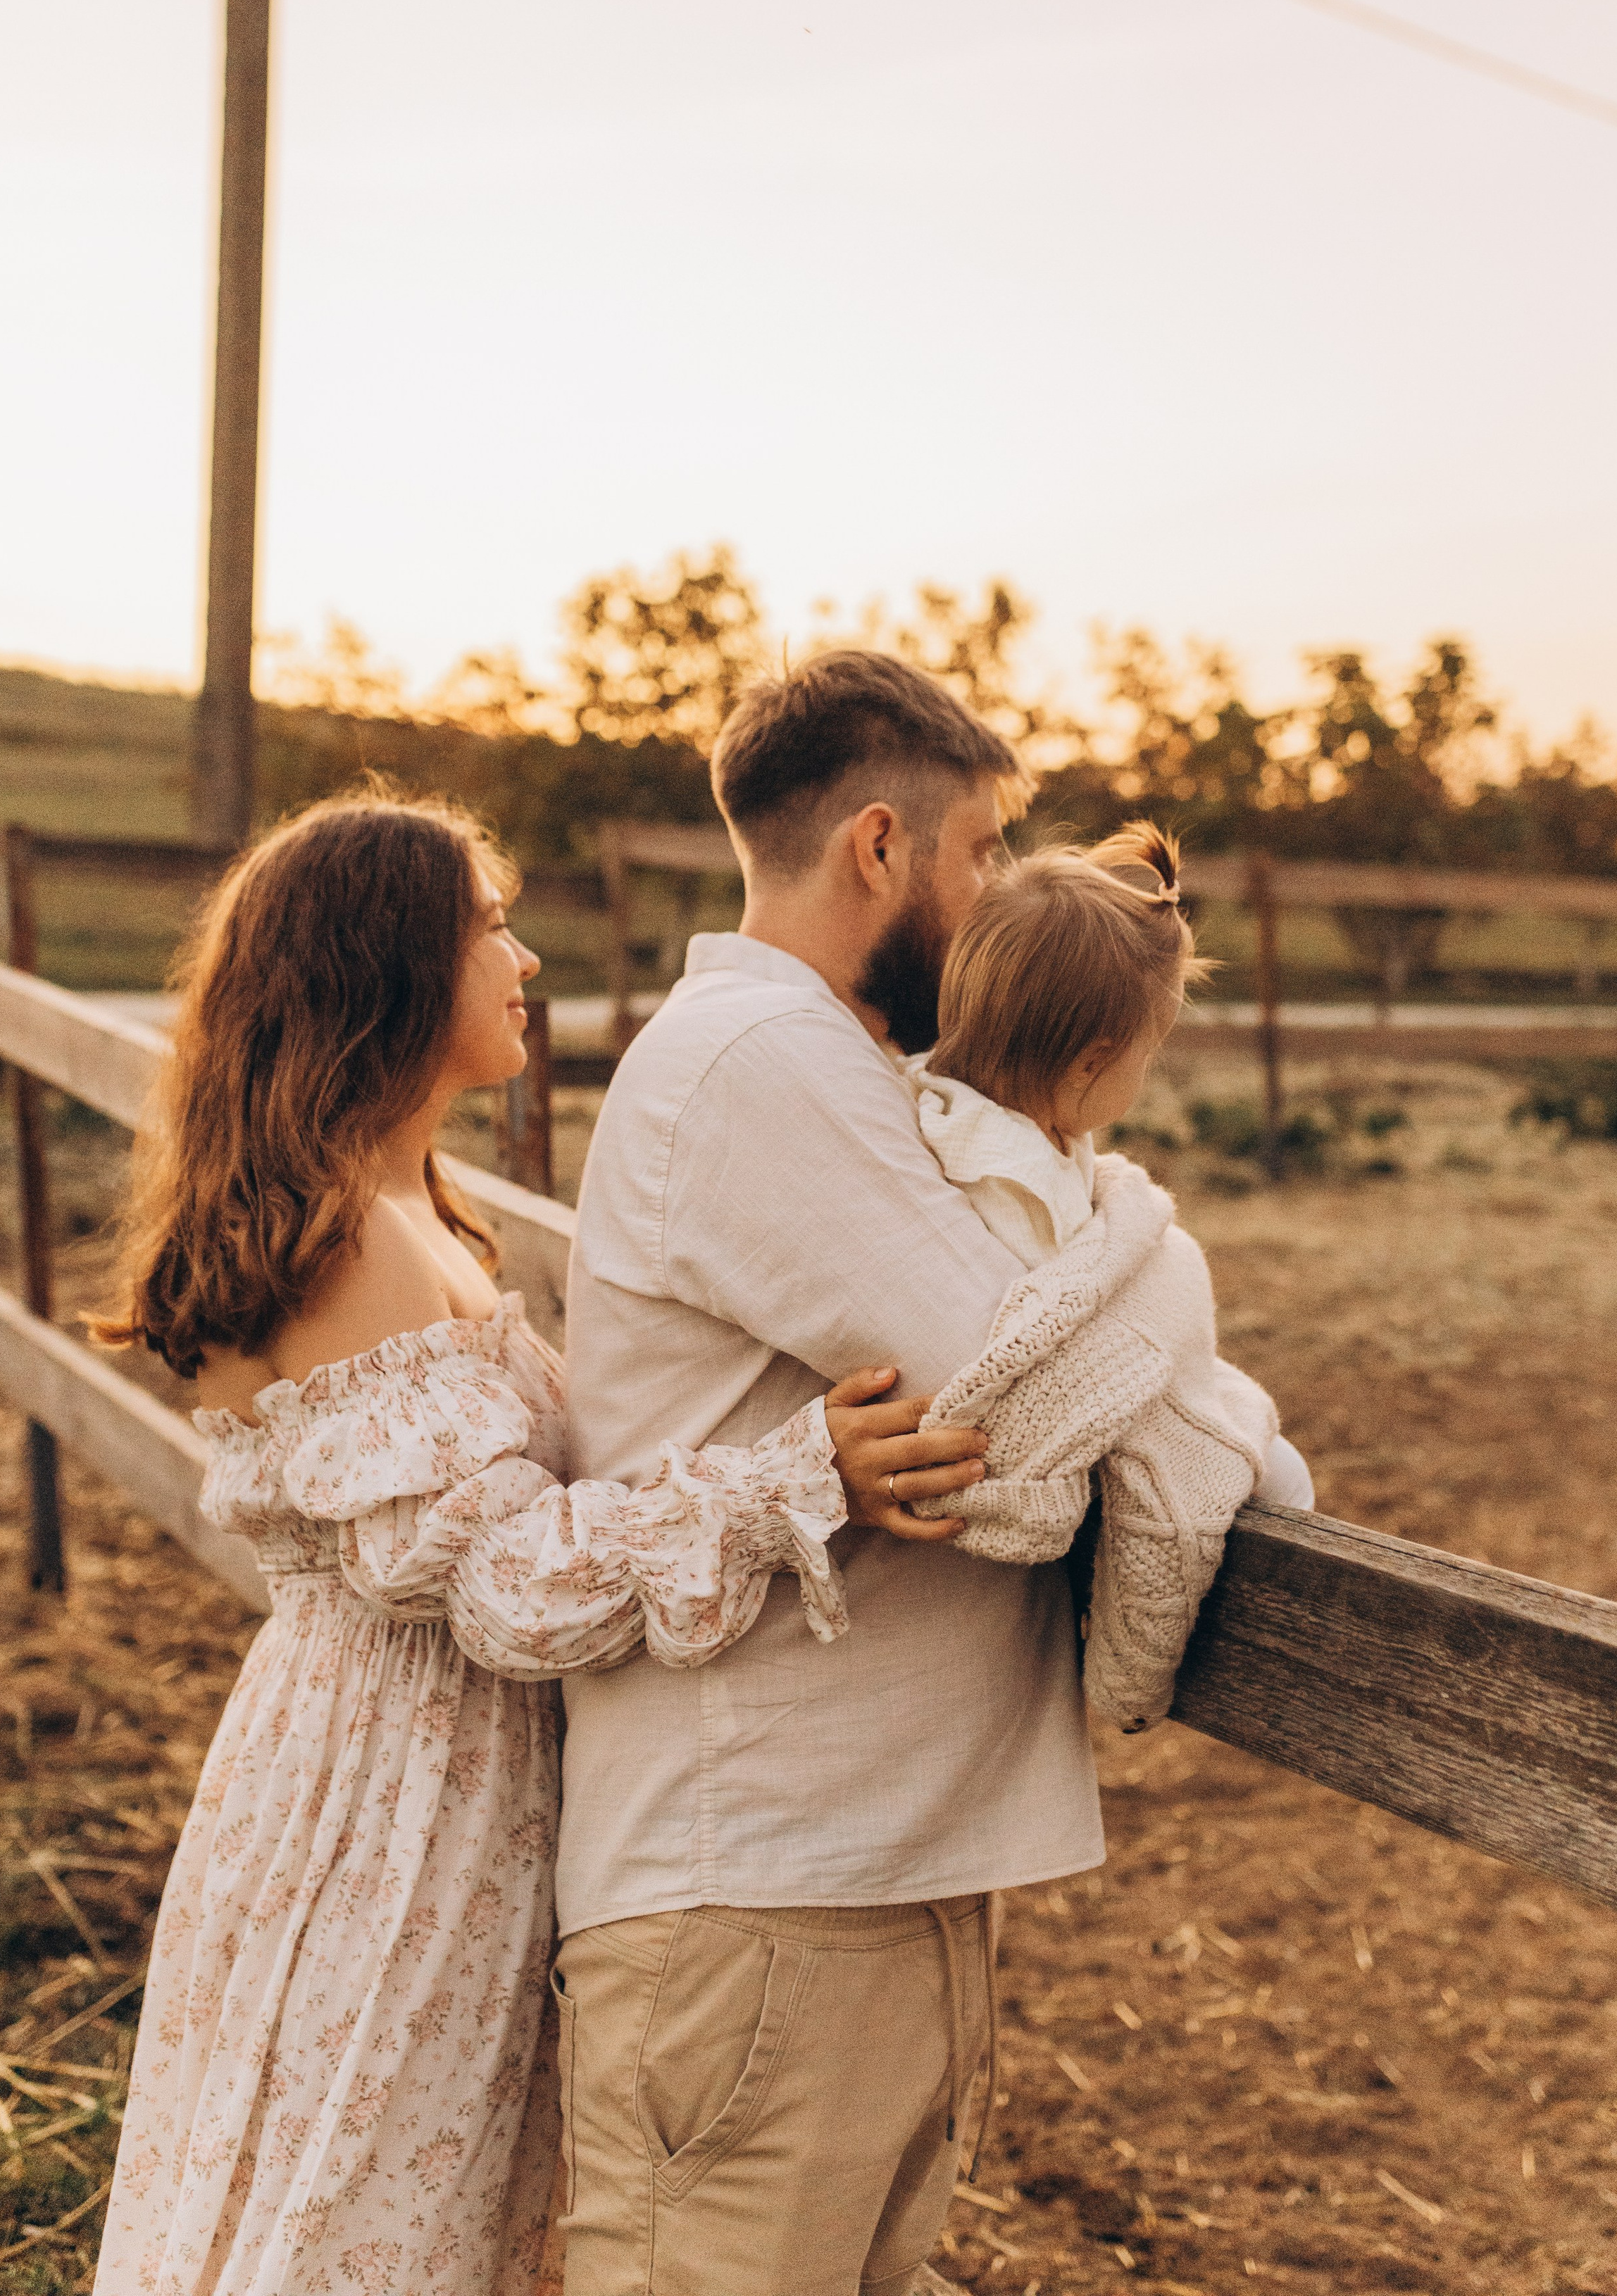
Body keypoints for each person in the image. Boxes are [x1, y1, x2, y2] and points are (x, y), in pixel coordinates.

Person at [86, 790, 986, 2296]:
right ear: (385, 964)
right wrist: (788, 1481)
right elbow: (501, 1582)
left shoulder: (404, 1209)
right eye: (486, 925)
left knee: (393, 2187)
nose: (524, 957)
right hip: (390, 1804)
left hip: (423, 1784)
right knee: (358, 2201)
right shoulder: (355, 1240)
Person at [555, 653, 1103, 2296]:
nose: (998, 892)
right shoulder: (755, 1067)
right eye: (983, 850)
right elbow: (1029, 1374)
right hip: (758, 1904)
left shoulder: (822, 1062)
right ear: (881, 846)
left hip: (850, 1881)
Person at [905, 821, 1315, 1729]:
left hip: (1132, 1368)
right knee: (1267, 1472)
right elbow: (1059, 1311)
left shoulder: (978, 1115)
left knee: (1243, 1426)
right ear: (1093, 1062)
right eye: (1145, 1051)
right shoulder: (1003, 1169)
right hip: (1086, 1397)